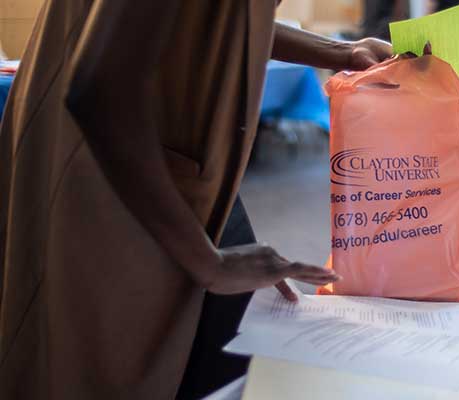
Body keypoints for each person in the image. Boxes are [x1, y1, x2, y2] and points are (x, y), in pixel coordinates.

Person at [0, 1, 392, 399]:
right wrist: (211, 266)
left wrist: (341, 52)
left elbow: (214, 21)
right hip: (116, 167)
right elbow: (100, 90)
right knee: (121, 357)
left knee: (235, 347)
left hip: (182, 168)